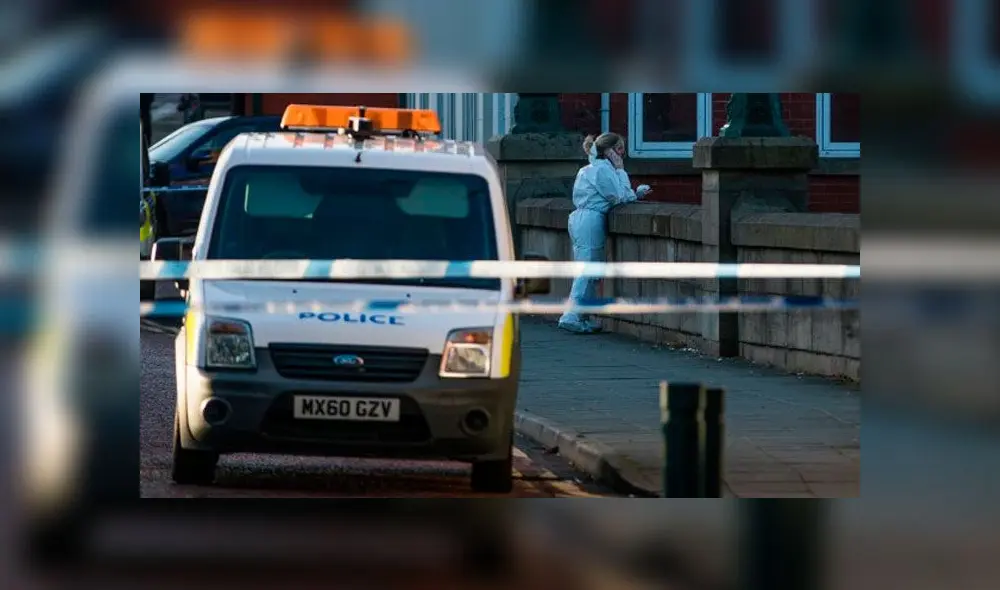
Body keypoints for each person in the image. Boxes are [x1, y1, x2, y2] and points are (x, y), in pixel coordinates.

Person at [557, 132, 652, 334]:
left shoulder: (591, 169)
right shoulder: (602, 170)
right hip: (590, 219)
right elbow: (619, 197)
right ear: (608, 151)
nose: (622, 153)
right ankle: (571, 314)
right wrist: (621, 171)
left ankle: (582, 315)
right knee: (588, 268)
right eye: (618, 148)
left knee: (593, 269)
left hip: (584, 219)